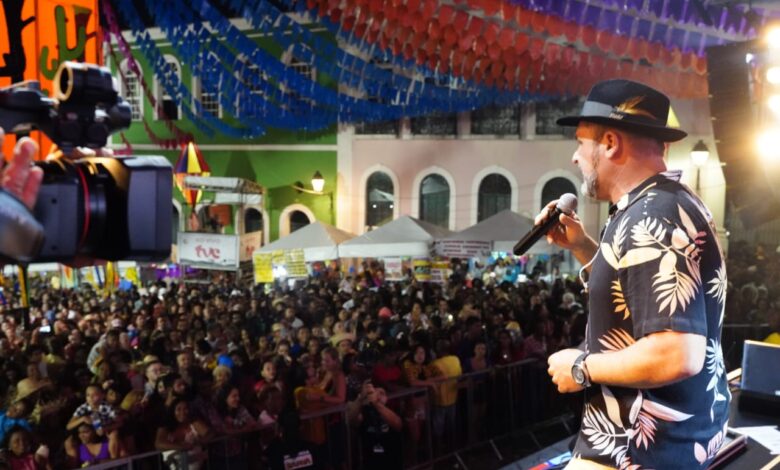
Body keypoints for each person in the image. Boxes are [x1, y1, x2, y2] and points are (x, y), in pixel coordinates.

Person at [542, 79, 729, 469]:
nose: (576, 157)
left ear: (610, 142)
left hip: (636, 451)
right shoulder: (663, 203)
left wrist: (580, 367)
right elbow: (635, 297)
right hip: (664, 446)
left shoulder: (652, 216)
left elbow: (677, 354)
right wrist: (583, 247)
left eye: (581, 142)